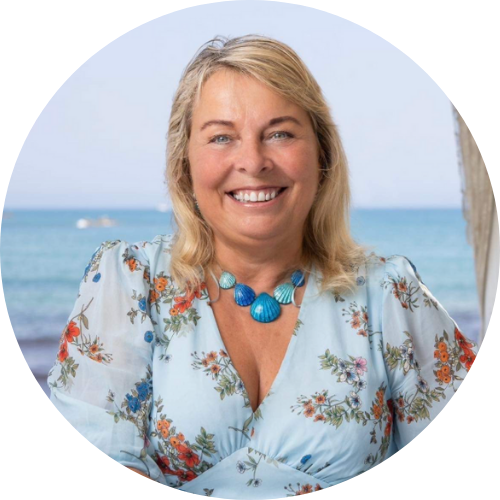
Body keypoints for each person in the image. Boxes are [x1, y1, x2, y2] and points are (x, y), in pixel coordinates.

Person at [47, 34, 480, 496]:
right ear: (184, 164)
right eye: (221, 137)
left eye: (280, 133)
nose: (253, 162)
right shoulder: (131, 283)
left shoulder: (389, 294)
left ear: (322, 155)